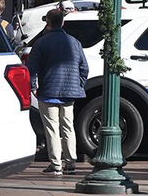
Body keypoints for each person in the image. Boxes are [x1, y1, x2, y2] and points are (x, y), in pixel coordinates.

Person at [25, 9, 87, 175]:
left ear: (48, 23)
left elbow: (32, 68)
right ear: (62, 22)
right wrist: (79, 84)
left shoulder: (41, 43)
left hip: (48, 91)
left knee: (52, 128)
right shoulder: (75, 42)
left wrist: (34, 87)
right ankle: (71, 162)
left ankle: (55, 164)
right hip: (70, 92)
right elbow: (84, 68)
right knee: (68, 127)